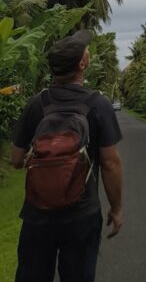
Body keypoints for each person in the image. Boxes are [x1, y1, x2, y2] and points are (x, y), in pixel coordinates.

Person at [9, 30, 124, 282]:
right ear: (82, 63)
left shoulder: (36, 104)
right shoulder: (99, 105)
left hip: (37, 214)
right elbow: (110, 163)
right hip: (81, 215)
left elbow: (16, 159)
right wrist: (116, 209)